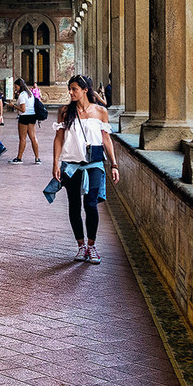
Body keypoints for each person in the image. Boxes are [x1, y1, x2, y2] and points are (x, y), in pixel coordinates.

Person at [52, 75, 120, 264]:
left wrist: (114, 164)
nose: (71, 92)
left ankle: (92, 245)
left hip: (94, 165)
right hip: (72, 165)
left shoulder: (100, 111)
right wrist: (55, 163)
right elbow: (59, 138)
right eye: (70, 89)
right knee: (74, 205)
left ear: (85, 90)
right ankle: (81, 246)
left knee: (90, 205)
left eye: (74, 89)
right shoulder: (65, 111)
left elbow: (106, 139)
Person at [11, 78, 41, 164]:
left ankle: (19, 158)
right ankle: (37, 158)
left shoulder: (22, 95)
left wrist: (14, 106)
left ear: (20, 86)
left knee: (22, 138)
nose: (15, 88)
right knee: (33, 137)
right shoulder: (30, 93)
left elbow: (23, 109)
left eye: (16, 86)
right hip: (32, 116)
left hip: (24, 117)